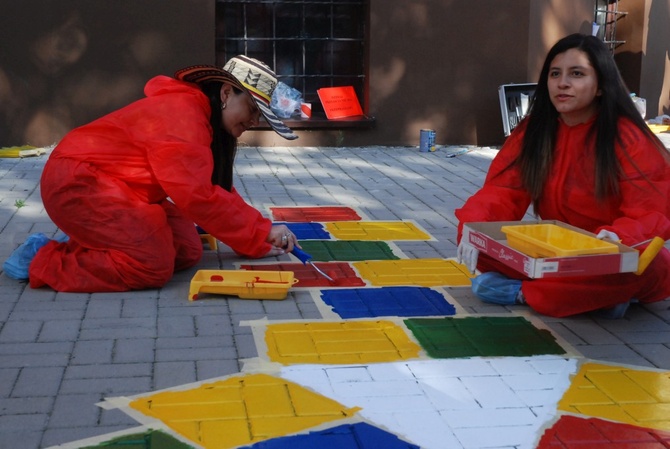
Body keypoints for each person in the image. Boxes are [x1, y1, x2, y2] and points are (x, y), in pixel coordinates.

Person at [3, 55, 301, 292]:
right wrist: (261, 232)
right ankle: (42, 259)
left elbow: (211, 188)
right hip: (77, 183)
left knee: (186, 250)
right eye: (252, 109)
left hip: (118, 187)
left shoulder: (200, 116)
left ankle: (97, 241)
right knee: (151, 265)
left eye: (259, 115)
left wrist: (257, 235)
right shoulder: (184, 117)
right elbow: (198, 197)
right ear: (226, 93)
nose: (253, 121)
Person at [456, 33, 670, 319]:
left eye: (577, 74)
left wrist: (618, 238)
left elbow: (650, 211)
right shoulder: (534, 131)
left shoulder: (627, 137)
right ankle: (595, 299)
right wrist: (474, 231)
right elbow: (503, 191)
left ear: (600, 86)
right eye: (555, 74)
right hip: (554, 252)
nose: (562, 83)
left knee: (613, 272)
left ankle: (525, 292)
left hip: (612, 252)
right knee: (486, 250)